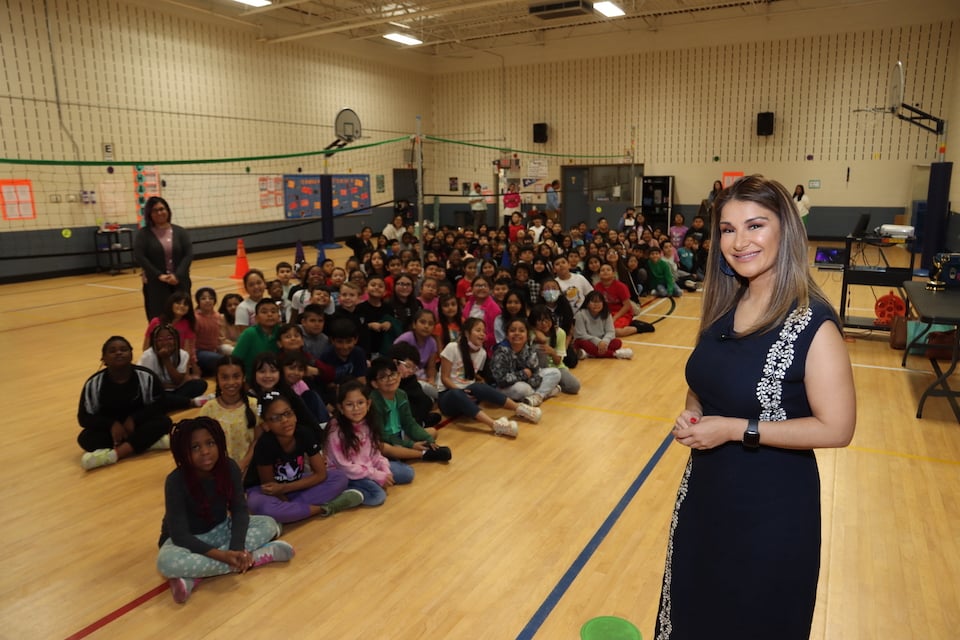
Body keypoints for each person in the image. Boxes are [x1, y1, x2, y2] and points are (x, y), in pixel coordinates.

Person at [655, 175, 856, 640]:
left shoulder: (813, 323)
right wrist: (694, 415)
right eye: (727, 229)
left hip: (772, 515)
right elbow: (703, 387)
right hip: (704, 500)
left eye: (755, 225)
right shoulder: (725, 304)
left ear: (785, 231)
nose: (739, 241)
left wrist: (735, 429)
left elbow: (837, 427)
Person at [156, 417, 294, 604]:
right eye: (195, 447)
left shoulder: (229, 467)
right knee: (165, 562)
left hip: (222, 529)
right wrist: (223, 555)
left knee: (268, 523)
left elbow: (239, 510)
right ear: (183, 453)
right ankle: (256, 557)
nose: (205, 451)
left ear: (219, 443)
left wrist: (236, 548)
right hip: (188, 541)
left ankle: (195, 576)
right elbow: (180, 535)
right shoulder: (175, 481)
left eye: (210, 443)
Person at [247, 392, 362, 523]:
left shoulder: (304, 433)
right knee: (262, 505)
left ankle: (290, 513)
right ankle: (324, 508)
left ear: (295, 415)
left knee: (339, 477)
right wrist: (282, 494)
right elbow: (270, 487)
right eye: (276, 418)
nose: (285, 420)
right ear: (266, 425)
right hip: (265, 491)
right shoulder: (265, 444)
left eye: (287, 413)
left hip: (293, 485)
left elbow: (321, 474)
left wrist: (285, 489)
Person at [77, 336, 172, 470]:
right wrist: (111, 424)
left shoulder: (146, 376)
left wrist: (134, 419)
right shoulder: (94, 384)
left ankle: (116, 453)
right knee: (85, 439)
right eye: (112, 351)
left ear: (131, 354)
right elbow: (84, 418)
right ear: (103, 359)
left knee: (164, 422)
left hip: (139, 425)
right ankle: (148, 443)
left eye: (123, 349)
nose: (119, 353)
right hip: (112, 432)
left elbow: (161, 405)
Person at [437, 318, 541, 437]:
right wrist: (461, 391)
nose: (482, 334)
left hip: (468, 394)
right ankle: (495, 425)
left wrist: (478, 388)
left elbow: (473, 375)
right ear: (466, 333)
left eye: (484, 331)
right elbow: (445, 378)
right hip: (448, 396)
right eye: (478, 330)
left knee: (479, 386)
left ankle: (521, 409)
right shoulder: (452, 347)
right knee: (457, 393)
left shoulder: (482, 353)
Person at [325, 380, 415, 506]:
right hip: (348, 474)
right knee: (378, 497)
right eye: (349, 404)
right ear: (340, 408)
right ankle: (349, 492)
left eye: (360, 403)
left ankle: (368, 484)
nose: (356, 408)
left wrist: (385, 470)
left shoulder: (368, 423)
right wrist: (376, 475)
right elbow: (344, 466)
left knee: (408, 473)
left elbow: (375, 453)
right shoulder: (336, 431)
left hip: (368, 467)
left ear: (368, 404)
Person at [368, 358, 452, 463]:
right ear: (375, 384)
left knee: (432, 433)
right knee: (385, 448)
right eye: (383, 377)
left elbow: (409, 423)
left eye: (392, 374)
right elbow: (382, 435)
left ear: (399, 375)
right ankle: (423, 454)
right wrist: (411, 444)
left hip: (400, 435)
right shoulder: (374, 401)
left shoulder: (401, 394)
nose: (390, 379)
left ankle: (406, 454)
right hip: (385, 441)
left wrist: (428, 439)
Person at [133, 196, 193, 321]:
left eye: (162, 209)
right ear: (149, 214)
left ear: (168, 210)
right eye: (155, 210)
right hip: (156, 285)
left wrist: (177, 275)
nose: (159, 213)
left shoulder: (181, 232)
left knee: (183, 318)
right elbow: (140, 257)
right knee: (159, 317)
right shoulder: (143, 234)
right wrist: (158, 275)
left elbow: (188, 254)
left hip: (180, 282)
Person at [198, 356, 260, 474]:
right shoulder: (208, 409)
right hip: (218, 470)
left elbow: (258, 440)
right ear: (217, 379)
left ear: (243, 378)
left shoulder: (254, 405)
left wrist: (243, 463)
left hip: (250, 468)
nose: (231, 382)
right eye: (225, 378)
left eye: (236, 376)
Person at [489, 317, 562, 406]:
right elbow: (501, 380)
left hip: (526, 382)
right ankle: (546, 392)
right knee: (523, 389)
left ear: (527, 335)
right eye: (512, 330)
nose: (517, 333)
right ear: (507, 335)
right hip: (505, 387)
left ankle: (537, 396)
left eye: (521, 331)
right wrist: (523, 374)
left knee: (555, 373)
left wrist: (531, 380)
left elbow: (535, 373)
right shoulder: (501, 352)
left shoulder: (529, 350)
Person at [139, 324, 209, 409]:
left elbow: (177, 381)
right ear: (155, 342)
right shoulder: (148, 356)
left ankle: (174, 403)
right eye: (160, 340)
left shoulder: (182, 354)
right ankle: (190, 402)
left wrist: (166, 360)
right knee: (154, 398)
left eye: (170, 338)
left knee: (200, 384)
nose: (165, 343)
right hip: (158, 392)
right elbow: (149, 385)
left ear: (176, 340)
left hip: (175, 390)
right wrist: (167, 386)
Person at [528, 305, 580, 395]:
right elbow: (543, 339)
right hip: (539, 368)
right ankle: (550, 387)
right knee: (539, 348)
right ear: (534, 323)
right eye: (540, 321)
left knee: (574, 386)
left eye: (546, 319)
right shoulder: (531, 332)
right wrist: (536, 331)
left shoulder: (560, 333)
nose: (544, 323)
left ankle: (553, 386)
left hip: (557, 367)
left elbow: (558, 361)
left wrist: (552, 352)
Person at [193, 288, 222, 376]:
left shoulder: (218, 316)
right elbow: (191, 343)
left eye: (210, 298)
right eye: (203, 298)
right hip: (199, 352)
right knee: (220, 360)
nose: (207, 301)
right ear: (198, 301)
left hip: (214, 350)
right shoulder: (196, 318)